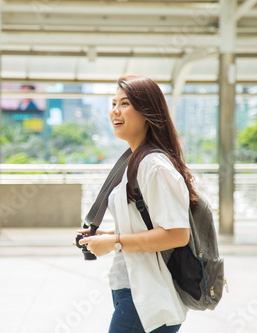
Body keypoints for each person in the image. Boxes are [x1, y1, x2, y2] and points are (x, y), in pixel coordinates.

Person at [78, 74, 198, 333]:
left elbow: (177, 234)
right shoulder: (135, 160)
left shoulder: (153, 165)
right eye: (113, 104)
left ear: (147, 112)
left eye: (125, 104)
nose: (115, 111)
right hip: (133, 291)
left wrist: (114, 242)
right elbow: (148, 223)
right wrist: (105, 235)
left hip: (146, 298)